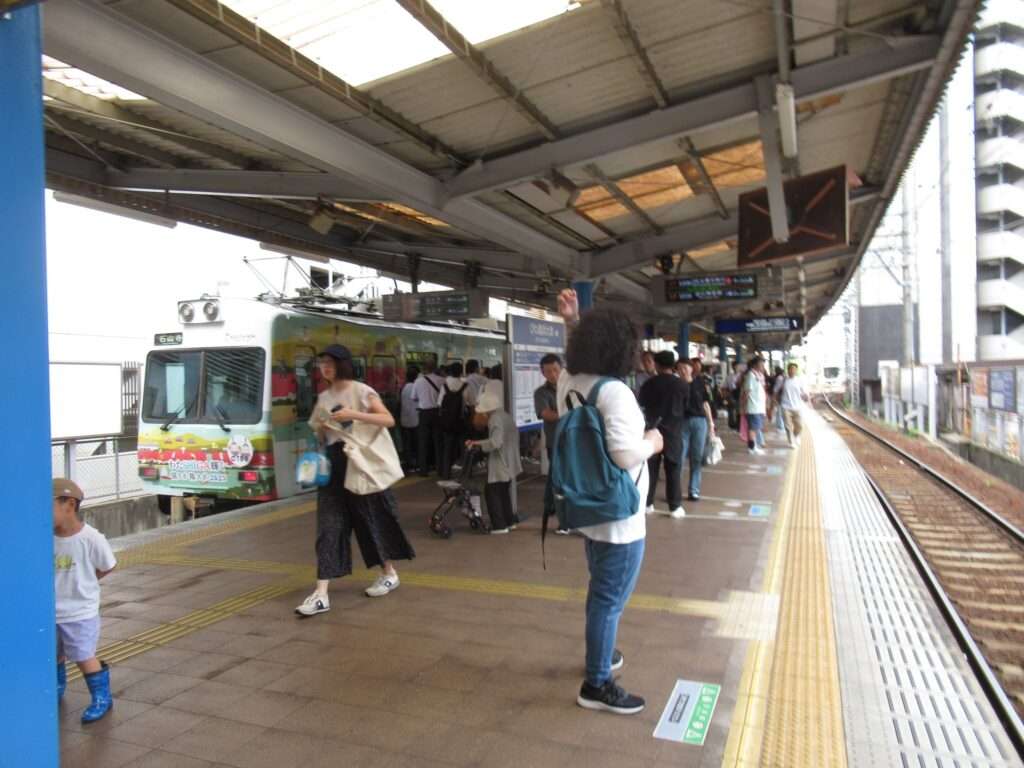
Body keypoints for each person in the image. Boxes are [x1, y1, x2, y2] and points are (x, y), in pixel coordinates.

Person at [556, 288, 664, 715]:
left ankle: (601, 652)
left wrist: (571, 321)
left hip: (589, 506)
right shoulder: (614, 391)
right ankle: (597, 683)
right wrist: (653, 442)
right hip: (618, 513)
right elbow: (623, 454)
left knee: (601, 591)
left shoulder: (569, 381)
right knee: (609, 598)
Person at [295, 344, 415, 616]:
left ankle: (389, 572)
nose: (325, 367)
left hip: (359, 464)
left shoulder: (362, 390)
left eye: (330, 362)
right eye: (322, 363)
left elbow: (388, 419)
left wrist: (353, 415)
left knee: (369, 520)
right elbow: (321, 434)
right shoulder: (323, 396)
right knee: (328, 526)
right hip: (334, 464)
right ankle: (321, 594)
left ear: (343, 364)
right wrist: (323, 430)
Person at [53, 478, 117, 723]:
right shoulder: (44, 537)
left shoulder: (91, 538)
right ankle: (57, 687)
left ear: (69, 504)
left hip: (80, 612)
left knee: (83, 656)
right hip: (50, 612)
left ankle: (102, 697)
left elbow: (108, 565)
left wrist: (87, 582)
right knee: (54, 653)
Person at [466, 382, 522, 534]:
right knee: (504, 493)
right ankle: (509, 522)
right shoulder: (505, 415)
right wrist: (478, 442)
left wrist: (477, 444)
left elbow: (496, 442)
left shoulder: (494, 419)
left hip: (501, 462)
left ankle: (499, 525)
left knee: (492, 492)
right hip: (510, 460)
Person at [637, 351, 686, 519]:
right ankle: (675, 507)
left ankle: (647, 503)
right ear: (673, 365)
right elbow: (687, 408)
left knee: (651, 469)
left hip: (652, 431)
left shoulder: (648, 384)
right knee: (673, 469)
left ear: (656, 365)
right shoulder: (681, 385)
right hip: (674, 432)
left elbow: (641, 406)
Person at [678, 360, 716, 501]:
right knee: (679, 457)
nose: (683, 370)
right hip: (682, 423)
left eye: (685, 367)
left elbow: (706, 404)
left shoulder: (699, 383)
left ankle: (694, 490)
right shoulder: (677, 385)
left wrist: (711, 423)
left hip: (700, 422)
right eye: (679, 368)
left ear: (691, 368)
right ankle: (676, 490)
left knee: (697, 457)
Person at [412, 358, 446, 476]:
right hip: (437, 413)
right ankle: (440, 469)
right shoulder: (442, 380)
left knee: (423, 442)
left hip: (424, 414)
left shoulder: (418, 381)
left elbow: (413, 397)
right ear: (435, 368)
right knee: (438, 442)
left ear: (424, 369)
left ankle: (423, 470)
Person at [438, 362, 470, 479]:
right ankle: (465, 473)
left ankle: (446, 474)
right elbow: (470, 402)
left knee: (447, 448)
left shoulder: (444, 385)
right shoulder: (465, 385)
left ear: (450, 371)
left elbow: (439, 403)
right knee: (464, 447)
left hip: (447, 422)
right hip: (461, 421)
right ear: (461, 371)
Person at [778, 362, 810, 447]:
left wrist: (806, 397)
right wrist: (774, 402)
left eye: (794, 369)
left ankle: (796, 436)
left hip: (797, 406)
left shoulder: (799, 380)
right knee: (788, 426)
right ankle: (791, 442)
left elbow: (803, 393)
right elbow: (775, 391)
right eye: (790, 369)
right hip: (785, 406)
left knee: (799, 425)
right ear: (787, 370)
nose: (792, 371)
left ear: (796, 371)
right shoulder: (783, 380)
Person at [742, 356, 768, 455]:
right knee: (753, 428)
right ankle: (752, 448)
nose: (762, 366)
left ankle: (753, 446)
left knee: (755, 428)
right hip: (753, 407)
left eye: (763, 364)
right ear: (754, 365)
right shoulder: (751, 375)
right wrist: (743, 406)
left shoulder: (760, 376)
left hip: (759, 407)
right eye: (760, 364)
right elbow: (747, 392)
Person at [399, 365, 420, 471]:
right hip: (415, 420)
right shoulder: (416, 387)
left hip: (404, 420)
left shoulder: (403, 388)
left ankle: (408, 464)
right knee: (416, 444)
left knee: (407, 444)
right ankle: (416, 464)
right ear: (416, 377)